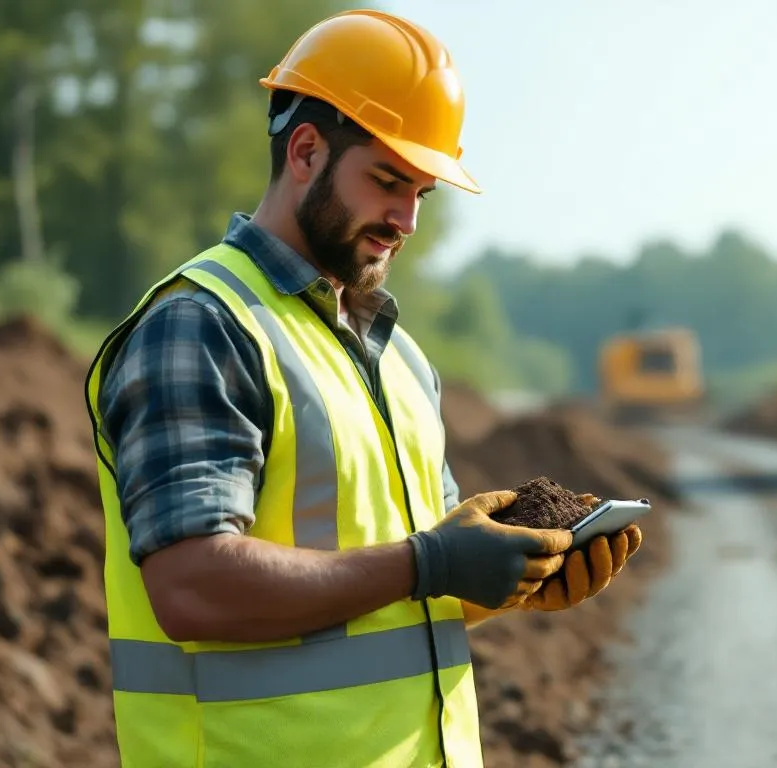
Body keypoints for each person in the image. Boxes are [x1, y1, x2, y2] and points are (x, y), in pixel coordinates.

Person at [82, 9, 642, 768]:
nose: (406, 219)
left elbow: (393, 598)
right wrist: (430, 563)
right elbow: (192, 586)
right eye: (387, 180)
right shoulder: (202, 326)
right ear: (306, 151)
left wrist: (512, 578)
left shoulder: (402, 360)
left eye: (421, 192)